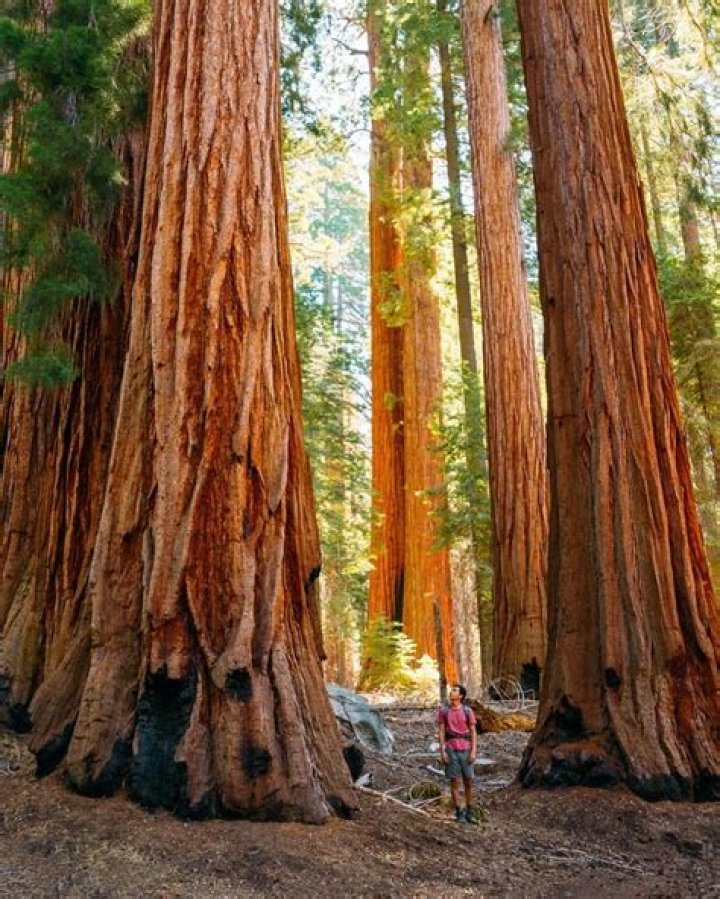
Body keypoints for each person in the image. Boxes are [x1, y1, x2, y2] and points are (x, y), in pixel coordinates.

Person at [437, 683, 478, 823]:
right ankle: (459, 811)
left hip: (466, 748)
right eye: (451, 690)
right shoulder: (443, 711)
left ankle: (470, 811)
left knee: (468, 781)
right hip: (450, 748)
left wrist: (473, 751)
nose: (451, 692)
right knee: (454, 781)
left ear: (460, 696)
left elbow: (473, 731)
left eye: (454, 691)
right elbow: (441, 731)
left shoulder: (468, 711)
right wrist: (442, 751)